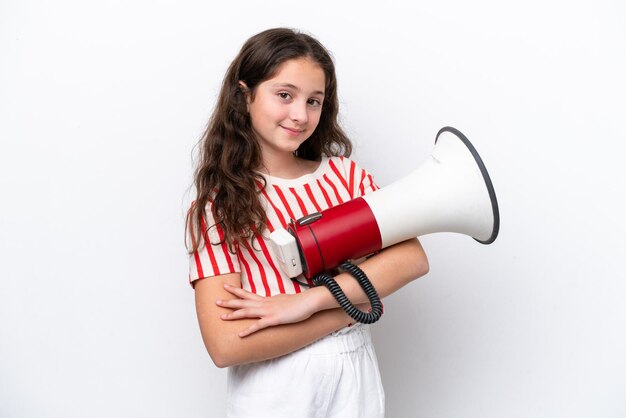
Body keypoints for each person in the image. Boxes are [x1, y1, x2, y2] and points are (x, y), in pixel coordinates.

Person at [187, 27, 429, 418]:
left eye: (314, 101)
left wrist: (307, 302)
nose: (300, 115)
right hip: (275, 385)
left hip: (355, 374)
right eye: (284, 95)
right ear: (245, 95)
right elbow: (226, 345)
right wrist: (353, 304)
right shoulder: (219, 205)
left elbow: (411, 259)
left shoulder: (345, 178)